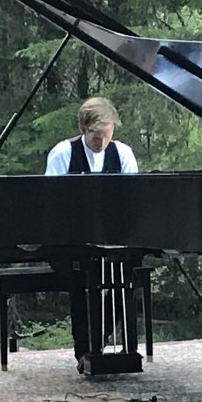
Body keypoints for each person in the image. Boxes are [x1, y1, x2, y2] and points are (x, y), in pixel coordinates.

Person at [45, 97, 139, 365]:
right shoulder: (63, 153)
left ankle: (100, 341)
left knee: (124, 278)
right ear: (82, 128)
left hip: (114, 240)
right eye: (97, 138)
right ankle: (84, 349)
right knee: (83, 280)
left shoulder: (123, 153)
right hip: (71, 242)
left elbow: (134, 198)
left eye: (107, 136)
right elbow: (51, 203)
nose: (102, 143)